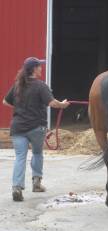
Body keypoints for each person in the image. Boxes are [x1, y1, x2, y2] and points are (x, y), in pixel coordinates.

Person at [3, 57, 70, 201]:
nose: (41, 68)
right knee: (37, 153)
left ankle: (17, 187)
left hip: (18, 126)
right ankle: (37, 183)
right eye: (39, 66)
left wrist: (22, 107)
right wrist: (63, 105)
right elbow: (52, 103)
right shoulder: (41, 86)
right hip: (36, 127)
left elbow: (5, 101)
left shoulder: (18, 85)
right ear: (34, 69)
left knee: (20, 157)